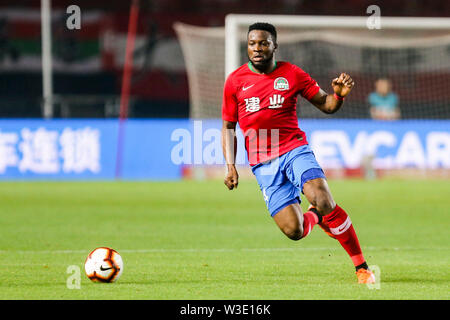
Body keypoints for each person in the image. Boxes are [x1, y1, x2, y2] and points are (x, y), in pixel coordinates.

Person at [221, 22, 375, 284]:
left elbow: (326, 104)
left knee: (323, 197)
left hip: (294, 149)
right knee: (295, 230)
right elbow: (227, 126)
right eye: (252, 43)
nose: (257, 48)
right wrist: (231, 166)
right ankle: (315, 216)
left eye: (263, 43)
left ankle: (362, 267)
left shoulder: (291, 74)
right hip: (262, 163)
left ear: (274, 46)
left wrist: (338, 96)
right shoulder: (235, 81)